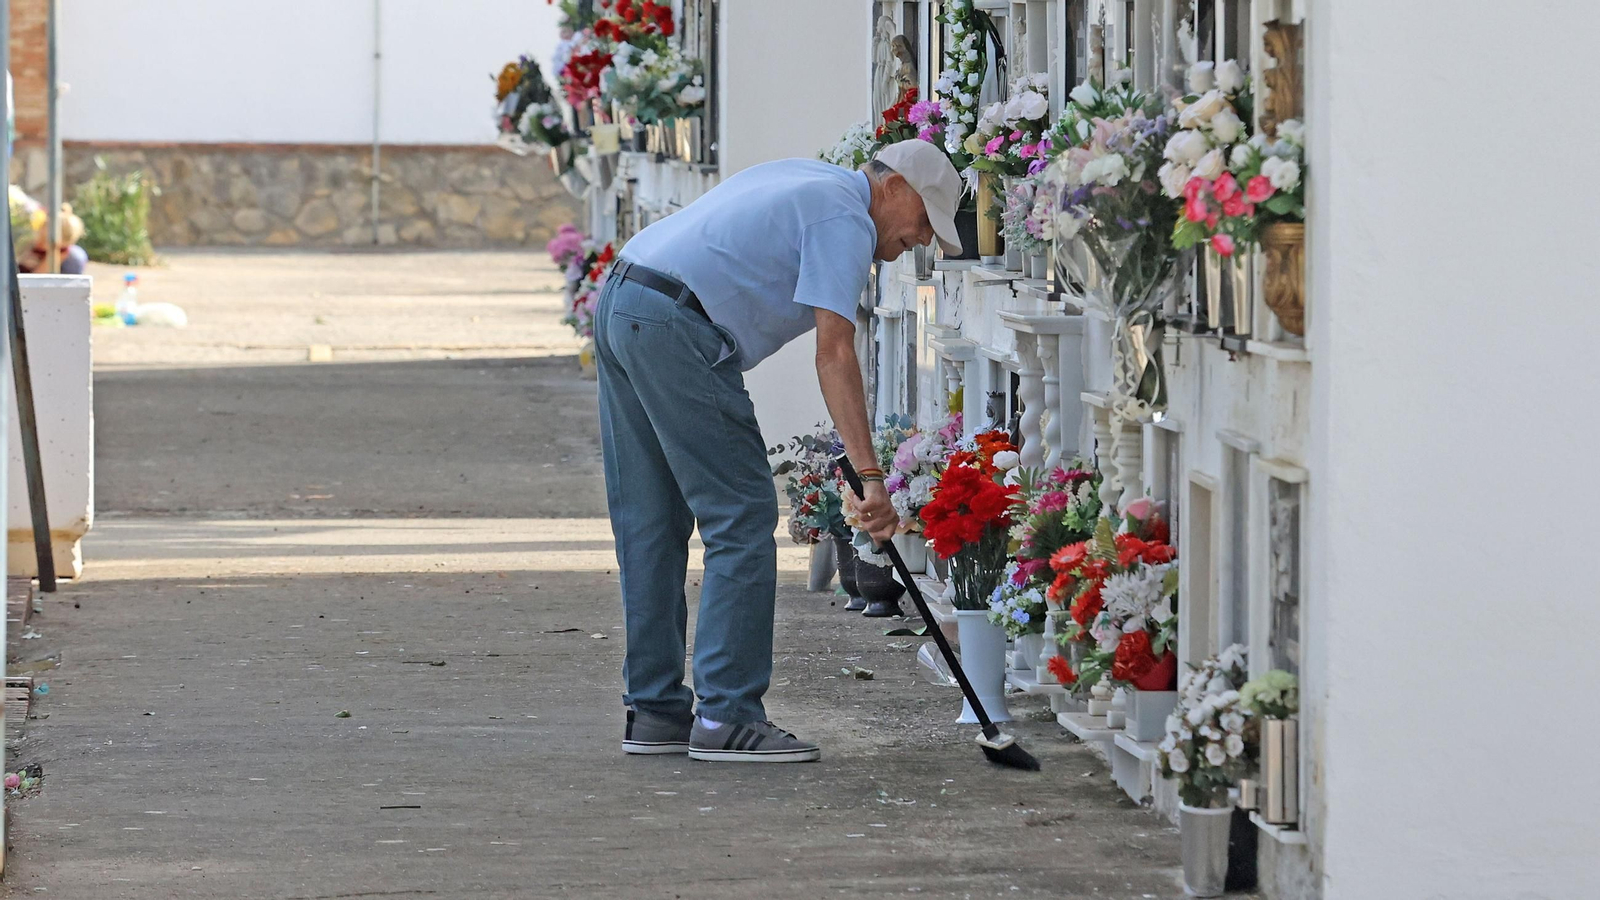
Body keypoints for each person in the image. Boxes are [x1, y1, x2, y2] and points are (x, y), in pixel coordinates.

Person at [595, 140, 963, 763]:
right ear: (895, 186)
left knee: (651, 520)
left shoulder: (811, 181)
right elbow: (835, 351)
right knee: (739, 516)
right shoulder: (845, 216)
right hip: (677, 325)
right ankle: (728, 715)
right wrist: (869, 475)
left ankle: (655, 711)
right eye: (926, 221)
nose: (922, 240)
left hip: (625, 298)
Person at [17, 201, 88, 275]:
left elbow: (35, 277)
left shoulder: (60, 254)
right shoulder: (33, 234)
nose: (40, 243)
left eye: (45, 241)